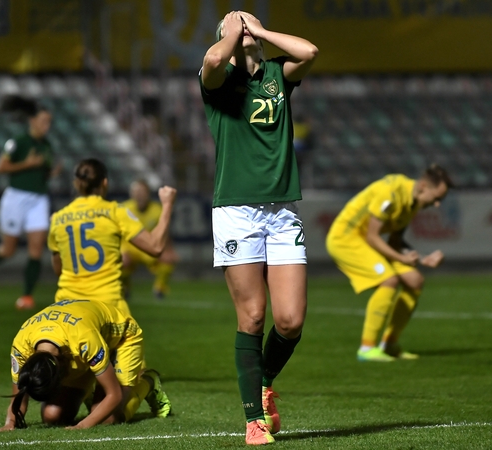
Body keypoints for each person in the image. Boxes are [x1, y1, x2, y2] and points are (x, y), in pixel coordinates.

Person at [199, 10, 318, 445]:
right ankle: (253, 420)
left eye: (248, 19)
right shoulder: (218, 79)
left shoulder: (276, 75)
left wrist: (262, 31)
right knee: (252, 316)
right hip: (236, 211)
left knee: (289, 322)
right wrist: (232, 35)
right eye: (235, 23)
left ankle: (264, 380)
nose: (242, 24)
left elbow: (309, 51)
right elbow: (212, 63)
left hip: (281, 211)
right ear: (226, 37)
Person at [326, 165, 453, 362]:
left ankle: (389, 344)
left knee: (414, 280)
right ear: (423, 186)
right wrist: (403, 259)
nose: (437, 204)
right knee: (389, 280)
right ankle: (367, 349)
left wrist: (422, 258)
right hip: (345, 239)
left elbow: (395, 242)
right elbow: (372, 236)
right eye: (436, 198)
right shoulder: (392, 193)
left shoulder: (414, 202)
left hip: (365, 241)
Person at [0, 298, 169, 431]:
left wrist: (83, 425)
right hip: (77, 349)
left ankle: (148, 381)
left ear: (60, 371)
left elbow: (113, 394)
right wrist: (11, 423)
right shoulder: (21, 347)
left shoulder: (84, 339)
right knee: (52, 416)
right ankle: (93, 387)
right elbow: (20, 393)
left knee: (110, 417)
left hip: (122, 339)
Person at [48, 160, 176, 321]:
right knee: (129, 341)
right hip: (108, 304)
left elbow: (58, 270)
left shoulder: (57, 219)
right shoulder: (116, 212)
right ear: (105, 182)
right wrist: (167, 204)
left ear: (76, 183)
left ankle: (158, 288)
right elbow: (156, 246)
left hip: (68, 309)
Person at [0, 95, 61, 310]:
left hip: (39, 199)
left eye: (49, 122)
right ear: (32, 120)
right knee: (9, 249)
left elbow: (41, 174)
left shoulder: (47, 145)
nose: (47, 125)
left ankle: (26, 296)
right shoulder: (18, 142)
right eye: (44, 121)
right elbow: (1, 167)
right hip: (16, 197)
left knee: (36, 248)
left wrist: (51, 173)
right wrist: (27, 163)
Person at [120, 179, 179, 300]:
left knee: (167, 259)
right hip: (129, 247)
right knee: (122, 260)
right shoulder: (124, 208)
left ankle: (159, 289)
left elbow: (164, 233)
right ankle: (125, 287)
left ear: (148, 194)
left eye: (142, 192)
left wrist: (169, 249)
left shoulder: (157, 210)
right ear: (131, 194)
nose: (139, 195)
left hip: (148, 247)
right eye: (137, 192)